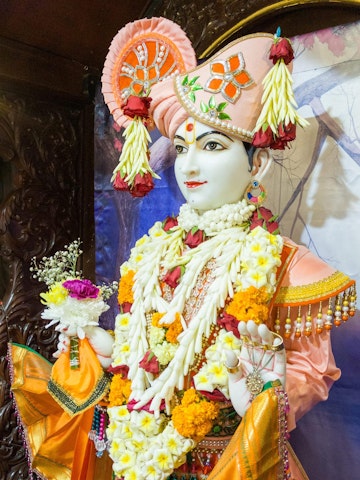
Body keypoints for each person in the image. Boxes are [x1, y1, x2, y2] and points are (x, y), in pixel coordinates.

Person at [8, 16, 356, 480]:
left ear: (260, 164)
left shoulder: (282, 262)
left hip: (235, 461)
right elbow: (153, 356)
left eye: (212, 145)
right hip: (145, 461)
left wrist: (258, 389)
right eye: (182, 146)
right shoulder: (157, 252)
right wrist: (111, 350)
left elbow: (313, 372)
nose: (189, 165)